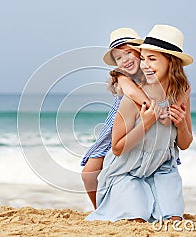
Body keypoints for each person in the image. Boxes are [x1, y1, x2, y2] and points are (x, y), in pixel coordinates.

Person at [86, 24, 193, 222]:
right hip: (127, 170)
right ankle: (108, 202)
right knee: (136, 219)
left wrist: (181, 125)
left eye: (151, 59)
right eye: (143, 58)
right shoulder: (131, 92)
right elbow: (117, 148)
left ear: (171, 62)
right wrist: (146, 122)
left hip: (161, 170)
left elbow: (185, 144)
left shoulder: (181, 93)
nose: (144, 65)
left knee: (173, 220)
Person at [80, 28, 152, 209]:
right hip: (114, 131)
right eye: (119, 58)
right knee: (89, 174)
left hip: (140, 130)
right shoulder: (121, 77)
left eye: (128, 53)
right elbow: (132, 93)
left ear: (140, 52)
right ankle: (100, 209)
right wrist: (151, 107)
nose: (125, 60)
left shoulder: (151, 75)